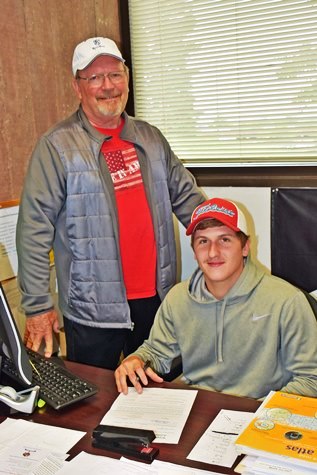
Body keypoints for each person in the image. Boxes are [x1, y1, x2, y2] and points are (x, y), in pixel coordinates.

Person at [16, 37, 205, 369]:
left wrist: (223, 246)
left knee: (159, 397)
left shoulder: (150, 137)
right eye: (94, 78)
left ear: (127, 79)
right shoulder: (56, 146)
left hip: (155, 300)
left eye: (115, 75)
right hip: (92, 311)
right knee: (93, 403)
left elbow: (189, 201)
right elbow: (33, 230)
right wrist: (37, 306)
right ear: (78, 87)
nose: (107, 86)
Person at [115, 197, 317, 399]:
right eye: (203, 241)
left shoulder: (287, 301)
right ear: (194, 250)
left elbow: (311, 380)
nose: (213, 252)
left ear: (245, 247)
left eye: (225, 240)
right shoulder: (178, 297)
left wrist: (260, 411)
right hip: (195, 409)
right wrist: (136, 360)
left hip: (258, 414)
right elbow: (156, 352)